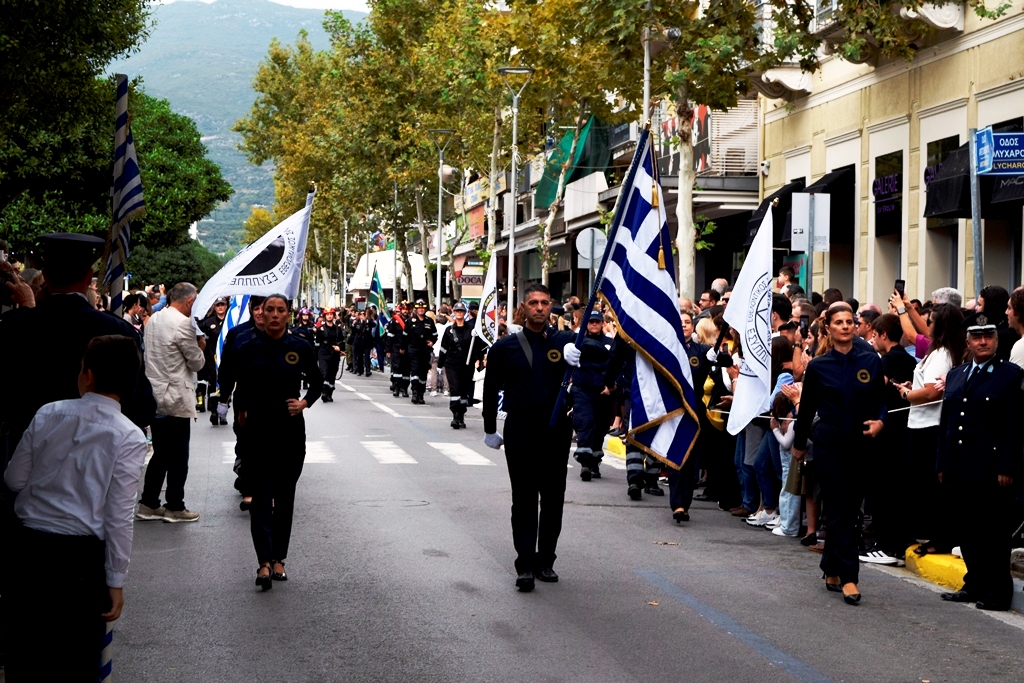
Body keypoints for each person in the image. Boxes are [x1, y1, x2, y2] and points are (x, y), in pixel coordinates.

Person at [3, 336, 148, 680]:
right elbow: (118, 516)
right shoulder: (129, 437)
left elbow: (13, 479)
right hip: (80, 562)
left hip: (27, 551)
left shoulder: (47, 413)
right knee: (77, 660)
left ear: (87, 374)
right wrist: (115, 579)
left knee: (25, 655)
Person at [0, 234, 156, 466]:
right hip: (96, 461)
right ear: (87, 278)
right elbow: (142, 409)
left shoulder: (13, 326)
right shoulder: (117, 331)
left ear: (46, 277)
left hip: (26, 459)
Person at [482, 283, 577, 592]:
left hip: (555, 430)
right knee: (523, 498)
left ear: (551, 307)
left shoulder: (565, 342)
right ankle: (524, 565)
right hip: (521, 429)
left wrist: (583, 354)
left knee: (553, 498)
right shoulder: (505, 347)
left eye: (545, 302)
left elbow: (603, 357)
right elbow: (490, 388)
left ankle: (545, 560)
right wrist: (488, 427)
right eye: (534, 302)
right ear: (524, 307)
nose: (539, 307)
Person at [793, 303, 887, 606]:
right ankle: (849, 577)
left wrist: (880, 421)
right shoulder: (819, 366)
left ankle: (830, 566)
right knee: (838, 506)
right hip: (829, 443)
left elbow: (880, 401)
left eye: (850, 322)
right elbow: (806, 409)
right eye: (839, 322)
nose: (845, 326)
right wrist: (798, 444)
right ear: (829, 328)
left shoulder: (871, 360)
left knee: (849, 509)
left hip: (861, 442)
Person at [231, 294, 323, 590]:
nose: (273, 315)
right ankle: (263, 562)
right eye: (268, 309)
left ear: (288, 315)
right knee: (260, 497)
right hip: (258, 429)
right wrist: (241, 418)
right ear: (261, 313)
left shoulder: (300, 346)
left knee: (284, 496)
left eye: (280, 310)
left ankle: (279, 558)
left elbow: (318, 381)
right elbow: (239, 388)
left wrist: (304, 402)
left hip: (289, 431)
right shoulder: (247, 347)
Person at [936, 320, 1024, 611]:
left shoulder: (1010, 376)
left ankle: (997, 593)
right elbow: (947, 424)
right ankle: (974, 583)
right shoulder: (957, 374)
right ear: (968, 342)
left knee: (994, 533)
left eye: (988, 337)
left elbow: (1014, 427)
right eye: (977, 338)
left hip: (991, 468)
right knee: (968, 529)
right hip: (961, 466)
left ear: (997, 341)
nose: (983, 342)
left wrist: (1007, 467)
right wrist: (942, 463)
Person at [896, 303, 964, 556]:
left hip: (929, 425)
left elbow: (931, 393)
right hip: (920, 423)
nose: (928, 325)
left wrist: (906, 393)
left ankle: (939, 538)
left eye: (932, 321)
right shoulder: (938, 351)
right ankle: (930, 533)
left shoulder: (943, 354)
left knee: (930, 486)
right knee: (921, 485)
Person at [136, 283, 206, 523]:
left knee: (161, 454)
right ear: (189, 302)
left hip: (155, 394)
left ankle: (148, 502)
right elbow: (196, 362)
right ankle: (175, 505)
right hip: (175, 397)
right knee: (178, 456)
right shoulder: (184, 324)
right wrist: (201, 345)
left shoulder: (155, 319)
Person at [858, 313, 917, 566]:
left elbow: (873, 388)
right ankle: (891, 542)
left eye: (875, 334)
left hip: (887, 431)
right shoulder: (908, 358)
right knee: (895, 490)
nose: (872, 339)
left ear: (883, 335)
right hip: (904, 430)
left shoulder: (888, 361)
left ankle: (886, 545)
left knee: (884, 490)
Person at [570, 309, 615, 481]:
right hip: (583, 390)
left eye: (597, 321)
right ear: (586, 324)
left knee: (600, 428)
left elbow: (617, 365)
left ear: (603, 323)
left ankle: (595, 462)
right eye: (591, 322)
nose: (594, 324)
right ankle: (585, 464)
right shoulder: (577, 341)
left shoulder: (610, 342)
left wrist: (612, 387)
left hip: (604, 393)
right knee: (585, 423)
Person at [437, 302, 481, 429]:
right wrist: (440, 364)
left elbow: (476, 347)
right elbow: (444, 348)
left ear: (465, 313)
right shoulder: (449, 330)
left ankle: (461, 415)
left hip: (467, 364)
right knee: (455, 389)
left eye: (461, 311)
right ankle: (455, 415)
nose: (459, 313)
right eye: (457, 311)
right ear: (454, 313)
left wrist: (477, 359)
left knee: (463, 391)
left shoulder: (471, 330)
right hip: (452, 364)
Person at [197, 296, 228, 420]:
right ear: (214, 307)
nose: (220, 307)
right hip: (212, 358)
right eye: (218, 305)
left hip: (226, 359)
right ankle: (213, 410)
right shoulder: (208, 322)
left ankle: (223, 409)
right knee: (212, 384)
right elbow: (198, 333)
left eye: (222, 305)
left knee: (225, 385)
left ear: (226, 306)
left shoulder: (230, 321)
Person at [405, 300, 437, 404]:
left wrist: (432, 341)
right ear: (416, 309)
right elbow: (405, 336)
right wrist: (403, 348)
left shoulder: (429, 321)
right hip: (413, 349)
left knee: (423, 373)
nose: (421, 309)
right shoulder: (410, 321)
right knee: (415, 370)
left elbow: (435, 335)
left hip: (425, 350)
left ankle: (420, 394)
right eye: (419, 308)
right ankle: (414, 392)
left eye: (423, 308)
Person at [316, 308, 344, 401]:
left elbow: (342, 340)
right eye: (327, 314)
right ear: (324, 316)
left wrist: (340, 348)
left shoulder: (338, 329)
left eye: (331, 314)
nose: (329, 316)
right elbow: (317, 342)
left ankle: (329, 393)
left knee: (332, 374)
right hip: (323, 353)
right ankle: (324, 392)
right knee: (324, 372)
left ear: (333, 315)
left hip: (334, 355)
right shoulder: (320, 329)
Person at [387, 302, 411, 397]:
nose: (405, 311)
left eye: (406, 309)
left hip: (407, 349)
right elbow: (390, 336)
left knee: (406, 370)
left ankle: (404, 389)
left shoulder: (410, 321)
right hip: (396, 348)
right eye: (403, 309)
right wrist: (388, 350)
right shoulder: (394, 322)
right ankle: (396, 388)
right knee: (397, 368)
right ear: (400, 310)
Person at [1007, 287, 1024, 369]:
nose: (1006, 312)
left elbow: (1015, 380)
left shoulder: (1021, 346)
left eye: (1009, 308)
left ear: (1018, 312)